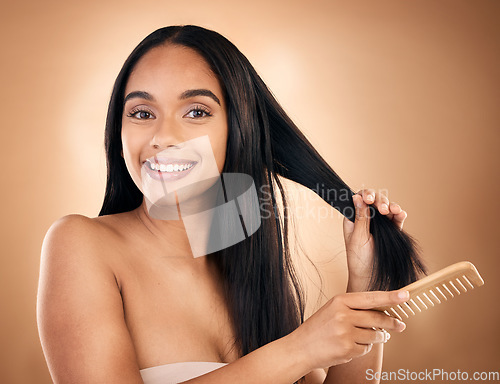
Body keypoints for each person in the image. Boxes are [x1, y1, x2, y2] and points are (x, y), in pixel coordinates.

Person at [37, 25, 425, 384]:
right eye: (142, 113)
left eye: (196, 112)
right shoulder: (80, 244)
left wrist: (367, 286)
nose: (163, 137)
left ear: (238, 129)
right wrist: (301, 349)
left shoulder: (255, 277)